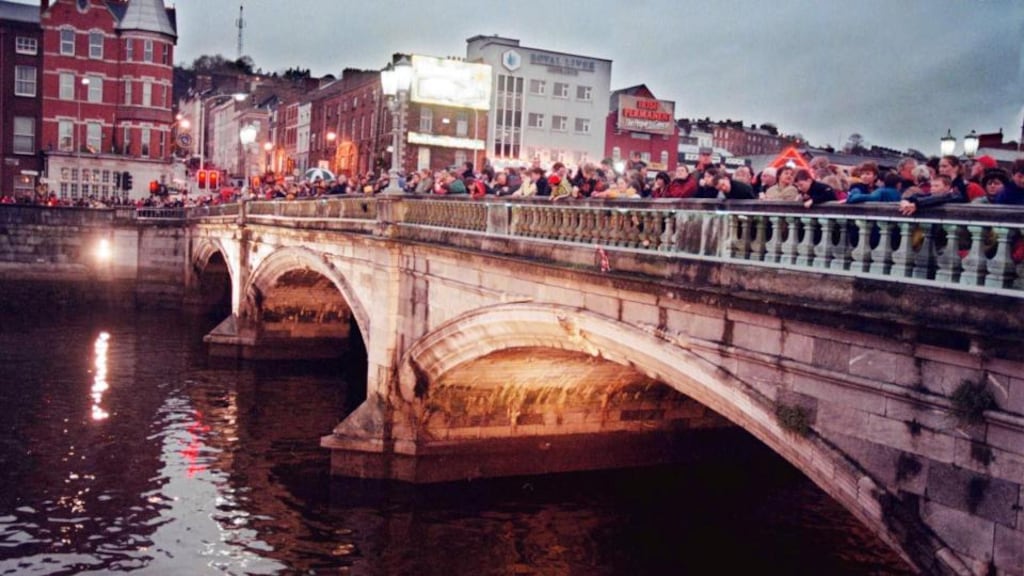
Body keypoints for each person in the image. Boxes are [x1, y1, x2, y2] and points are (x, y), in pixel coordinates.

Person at [899, 173, 964, 215]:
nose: (932, 188)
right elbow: (918, 196)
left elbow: (939, 199)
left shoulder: (955, 196)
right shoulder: (932, 194)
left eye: (936, 186)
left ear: (947, 187)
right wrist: (905, 201)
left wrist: (916, 204)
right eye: (931, 186)